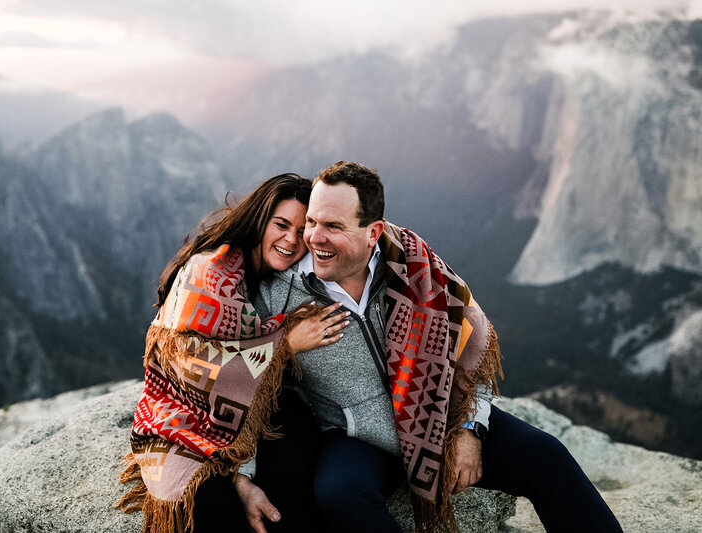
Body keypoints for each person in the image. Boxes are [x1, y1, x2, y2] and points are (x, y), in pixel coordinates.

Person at [238, 161, 623, 533]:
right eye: (312, 222)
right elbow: (246, 383)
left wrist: (470, 426)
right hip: (356, 436)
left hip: (436, 413)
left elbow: (471, 348)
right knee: (340, 494)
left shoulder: (414, 265)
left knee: (546, 455)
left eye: (333, 226)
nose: (314, 238)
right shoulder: (278, 296)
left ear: (372, 232)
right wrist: (243, 477)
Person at [115, 173, 349, 533]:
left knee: (296, 441)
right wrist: (286, 343)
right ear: (259, 218)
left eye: (300, 231)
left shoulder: (263, 271)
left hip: (241, 409)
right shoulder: (212, 273)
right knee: (213, 507)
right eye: (281, 224)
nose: (290, 240)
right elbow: (197, 368)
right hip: (184, 418)